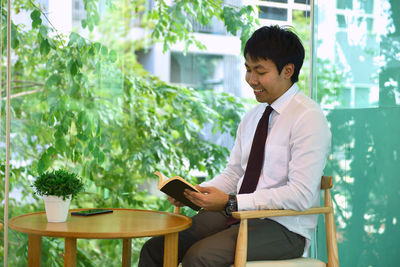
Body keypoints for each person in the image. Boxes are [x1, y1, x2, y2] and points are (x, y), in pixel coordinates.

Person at [139, 25, 331, 267]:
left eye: (260, 72)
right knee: (157, 248)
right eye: (248, 70)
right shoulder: (253, 117)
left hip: (284, 227)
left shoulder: (308, 118)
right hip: (238, 213)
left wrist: (232, 203)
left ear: (288, 70)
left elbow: (300, 195)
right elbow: (235, 174)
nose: (251, 80)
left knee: (200, 257)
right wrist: (195, 193)